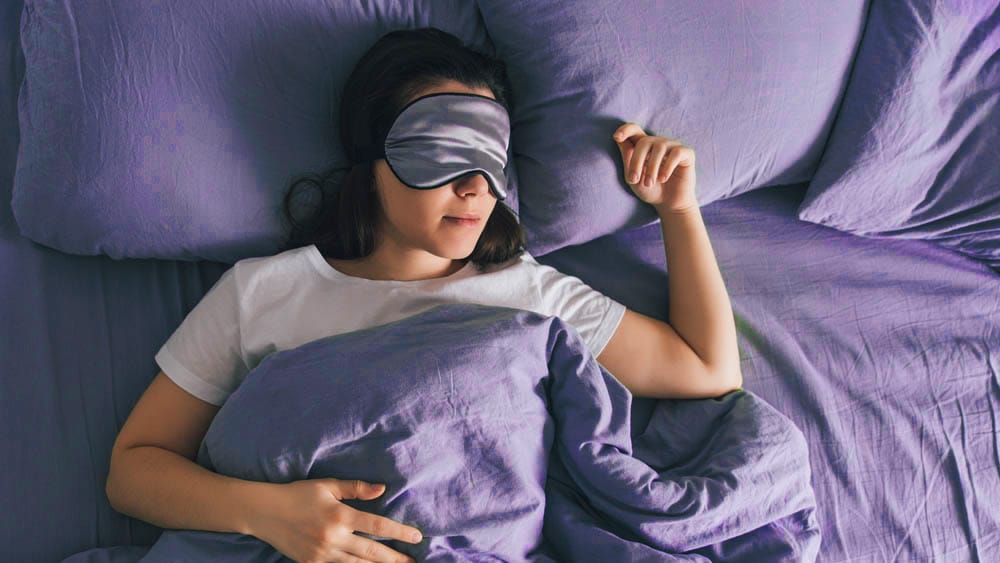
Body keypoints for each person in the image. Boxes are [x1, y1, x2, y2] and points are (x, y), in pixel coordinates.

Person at [105, 26, 741, 563]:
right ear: (372, 157)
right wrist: (266, 512)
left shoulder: (528, 293)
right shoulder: (260, 293)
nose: (474, 186)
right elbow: (133, 470)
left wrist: (680, 210)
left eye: (490, 158)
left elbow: (709, 370)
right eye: (443, 149)